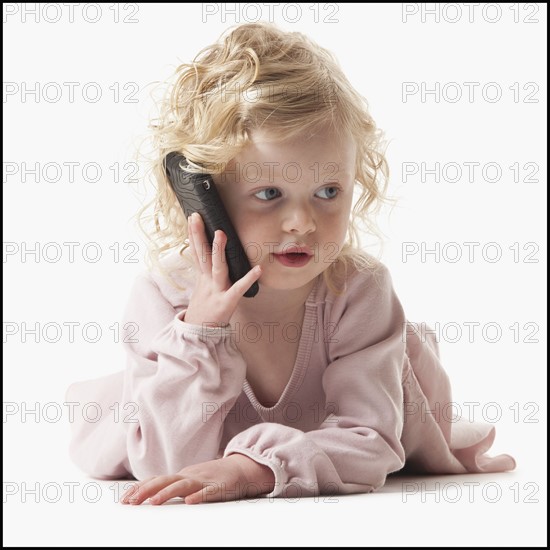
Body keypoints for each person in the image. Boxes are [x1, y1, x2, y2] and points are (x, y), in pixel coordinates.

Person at [66, 22, 516, 506]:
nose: (301, 223)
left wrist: (251, 469)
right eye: (269, 194)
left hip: (380, 392)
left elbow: (371, 442)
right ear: (203, 197)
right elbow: (166, 467)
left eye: (328, 191)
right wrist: (199, 332)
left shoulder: (358, 291)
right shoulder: (165, 297)